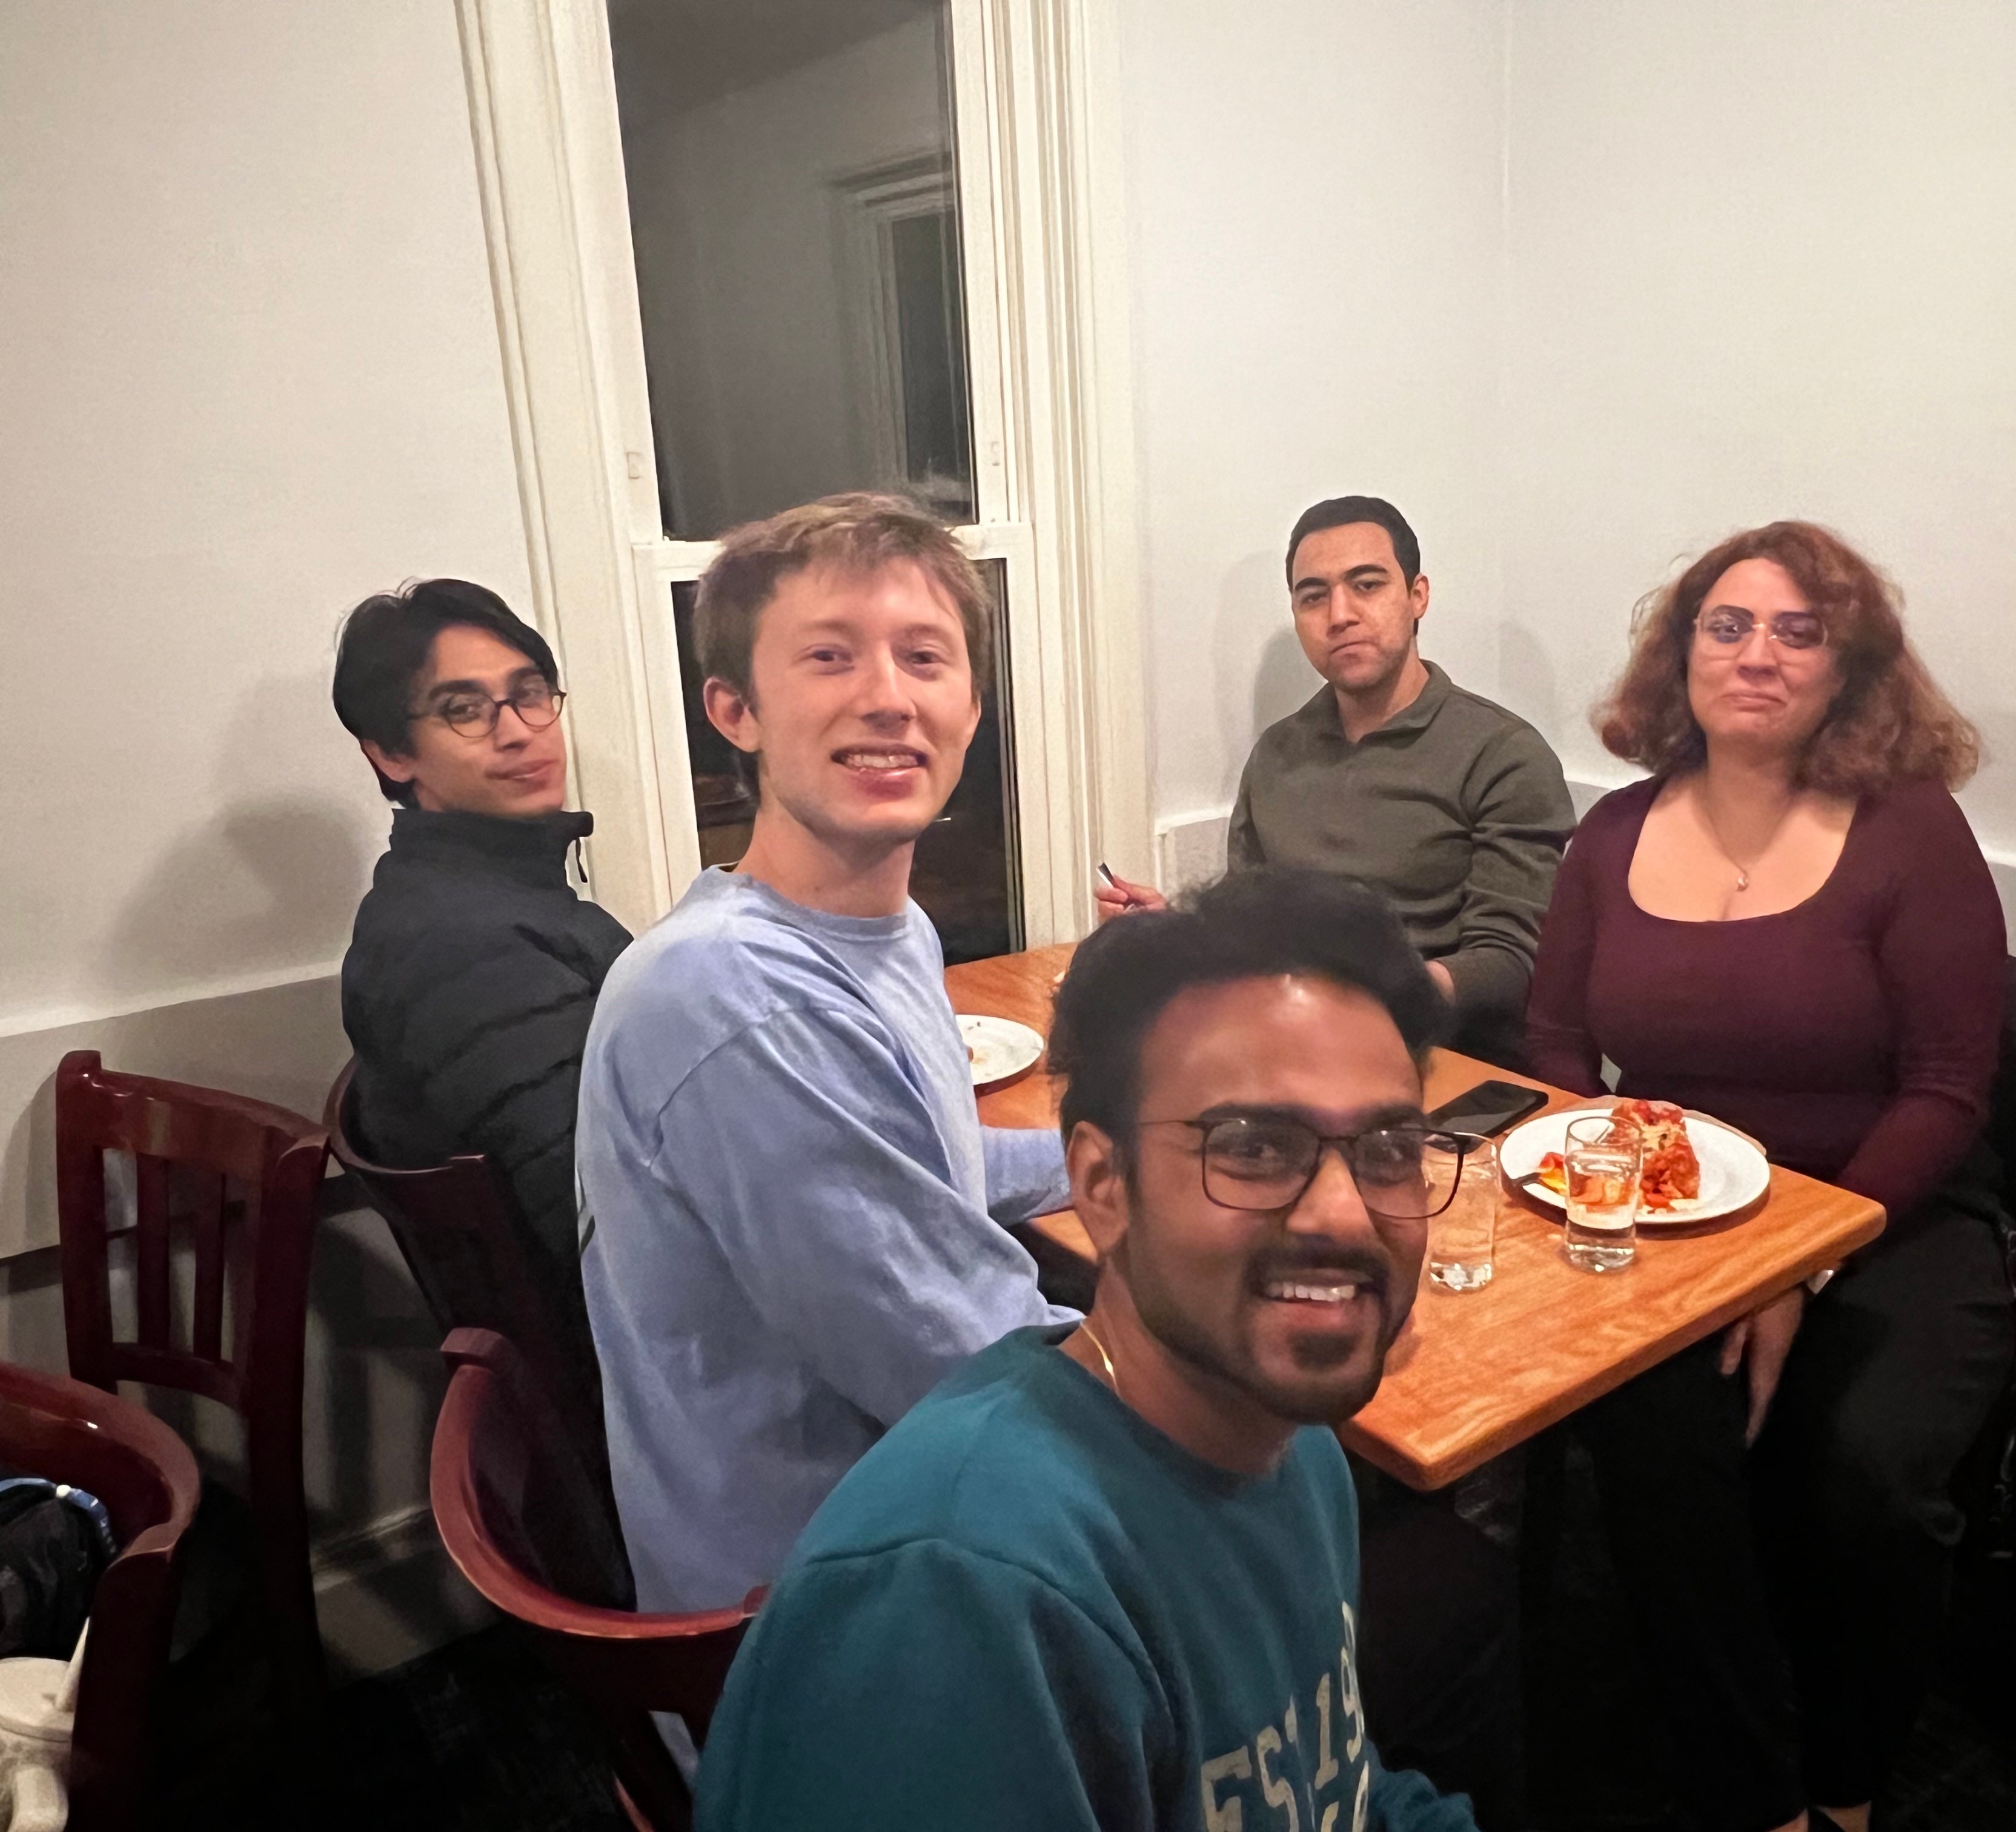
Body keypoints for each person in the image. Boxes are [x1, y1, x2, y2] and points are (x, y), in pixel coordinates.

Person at [697, 868, 1479, 1832]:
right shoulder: (961, 1603)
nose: (1341, 1212)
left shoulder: (1293, 1442)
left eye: (1390, 1151)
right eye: (1254, 1148)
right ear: (1102, 1186)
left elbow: (1344, 1795)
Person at [1522, 521, 2010, 1832]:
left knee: (1872, 1477)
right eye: (1726, 626)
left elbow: (1949, 1091)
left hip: (1889, 1210)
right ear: (1680, 656)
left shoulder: (1910, 833)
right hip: (1677, 1209)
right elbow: (1560, 1043)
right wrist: (1607, 1167)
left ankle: (1847, 1789)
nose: (1757, 655)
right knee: (1653, 1432)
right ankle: (1758, 1795)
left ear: (1850, 667)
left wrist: (1799, 1259)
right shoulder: (1612, 835)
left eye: (1801, 631)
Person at [575, 494, 1070, 1627]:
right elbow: (983, 1373)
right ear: (734, 709)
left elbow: (923, 1165)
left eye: (924, 656)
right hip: (831, 1616)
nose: (887, 696)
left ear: (972, 707)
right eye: (830, 656)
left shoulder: (888, 931)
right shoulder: (730, 995)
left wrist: (1125, 1158)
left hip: (914, 1519)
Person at [1097, 497, 1573, 1063]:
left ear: (1417, 595)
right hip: (1287, 1049)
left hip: (1443, 1066)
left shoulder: (1503, 754)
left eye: (1367, 585)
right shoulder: (1278, 751)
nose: (1339, 614)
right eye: (1314, 596)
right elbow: (1249, 916)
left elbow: (1511, 960)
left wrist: (1374, 994)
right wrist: (1177, 930)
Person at [333, 579, 631, 1329]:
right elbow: (604, 1228)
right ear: (392, 754)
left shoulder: (475, 897)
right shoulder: (462, 951)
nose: (519, 731)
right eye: (464, 710)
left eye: (530, 693)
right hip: (645, 1381)